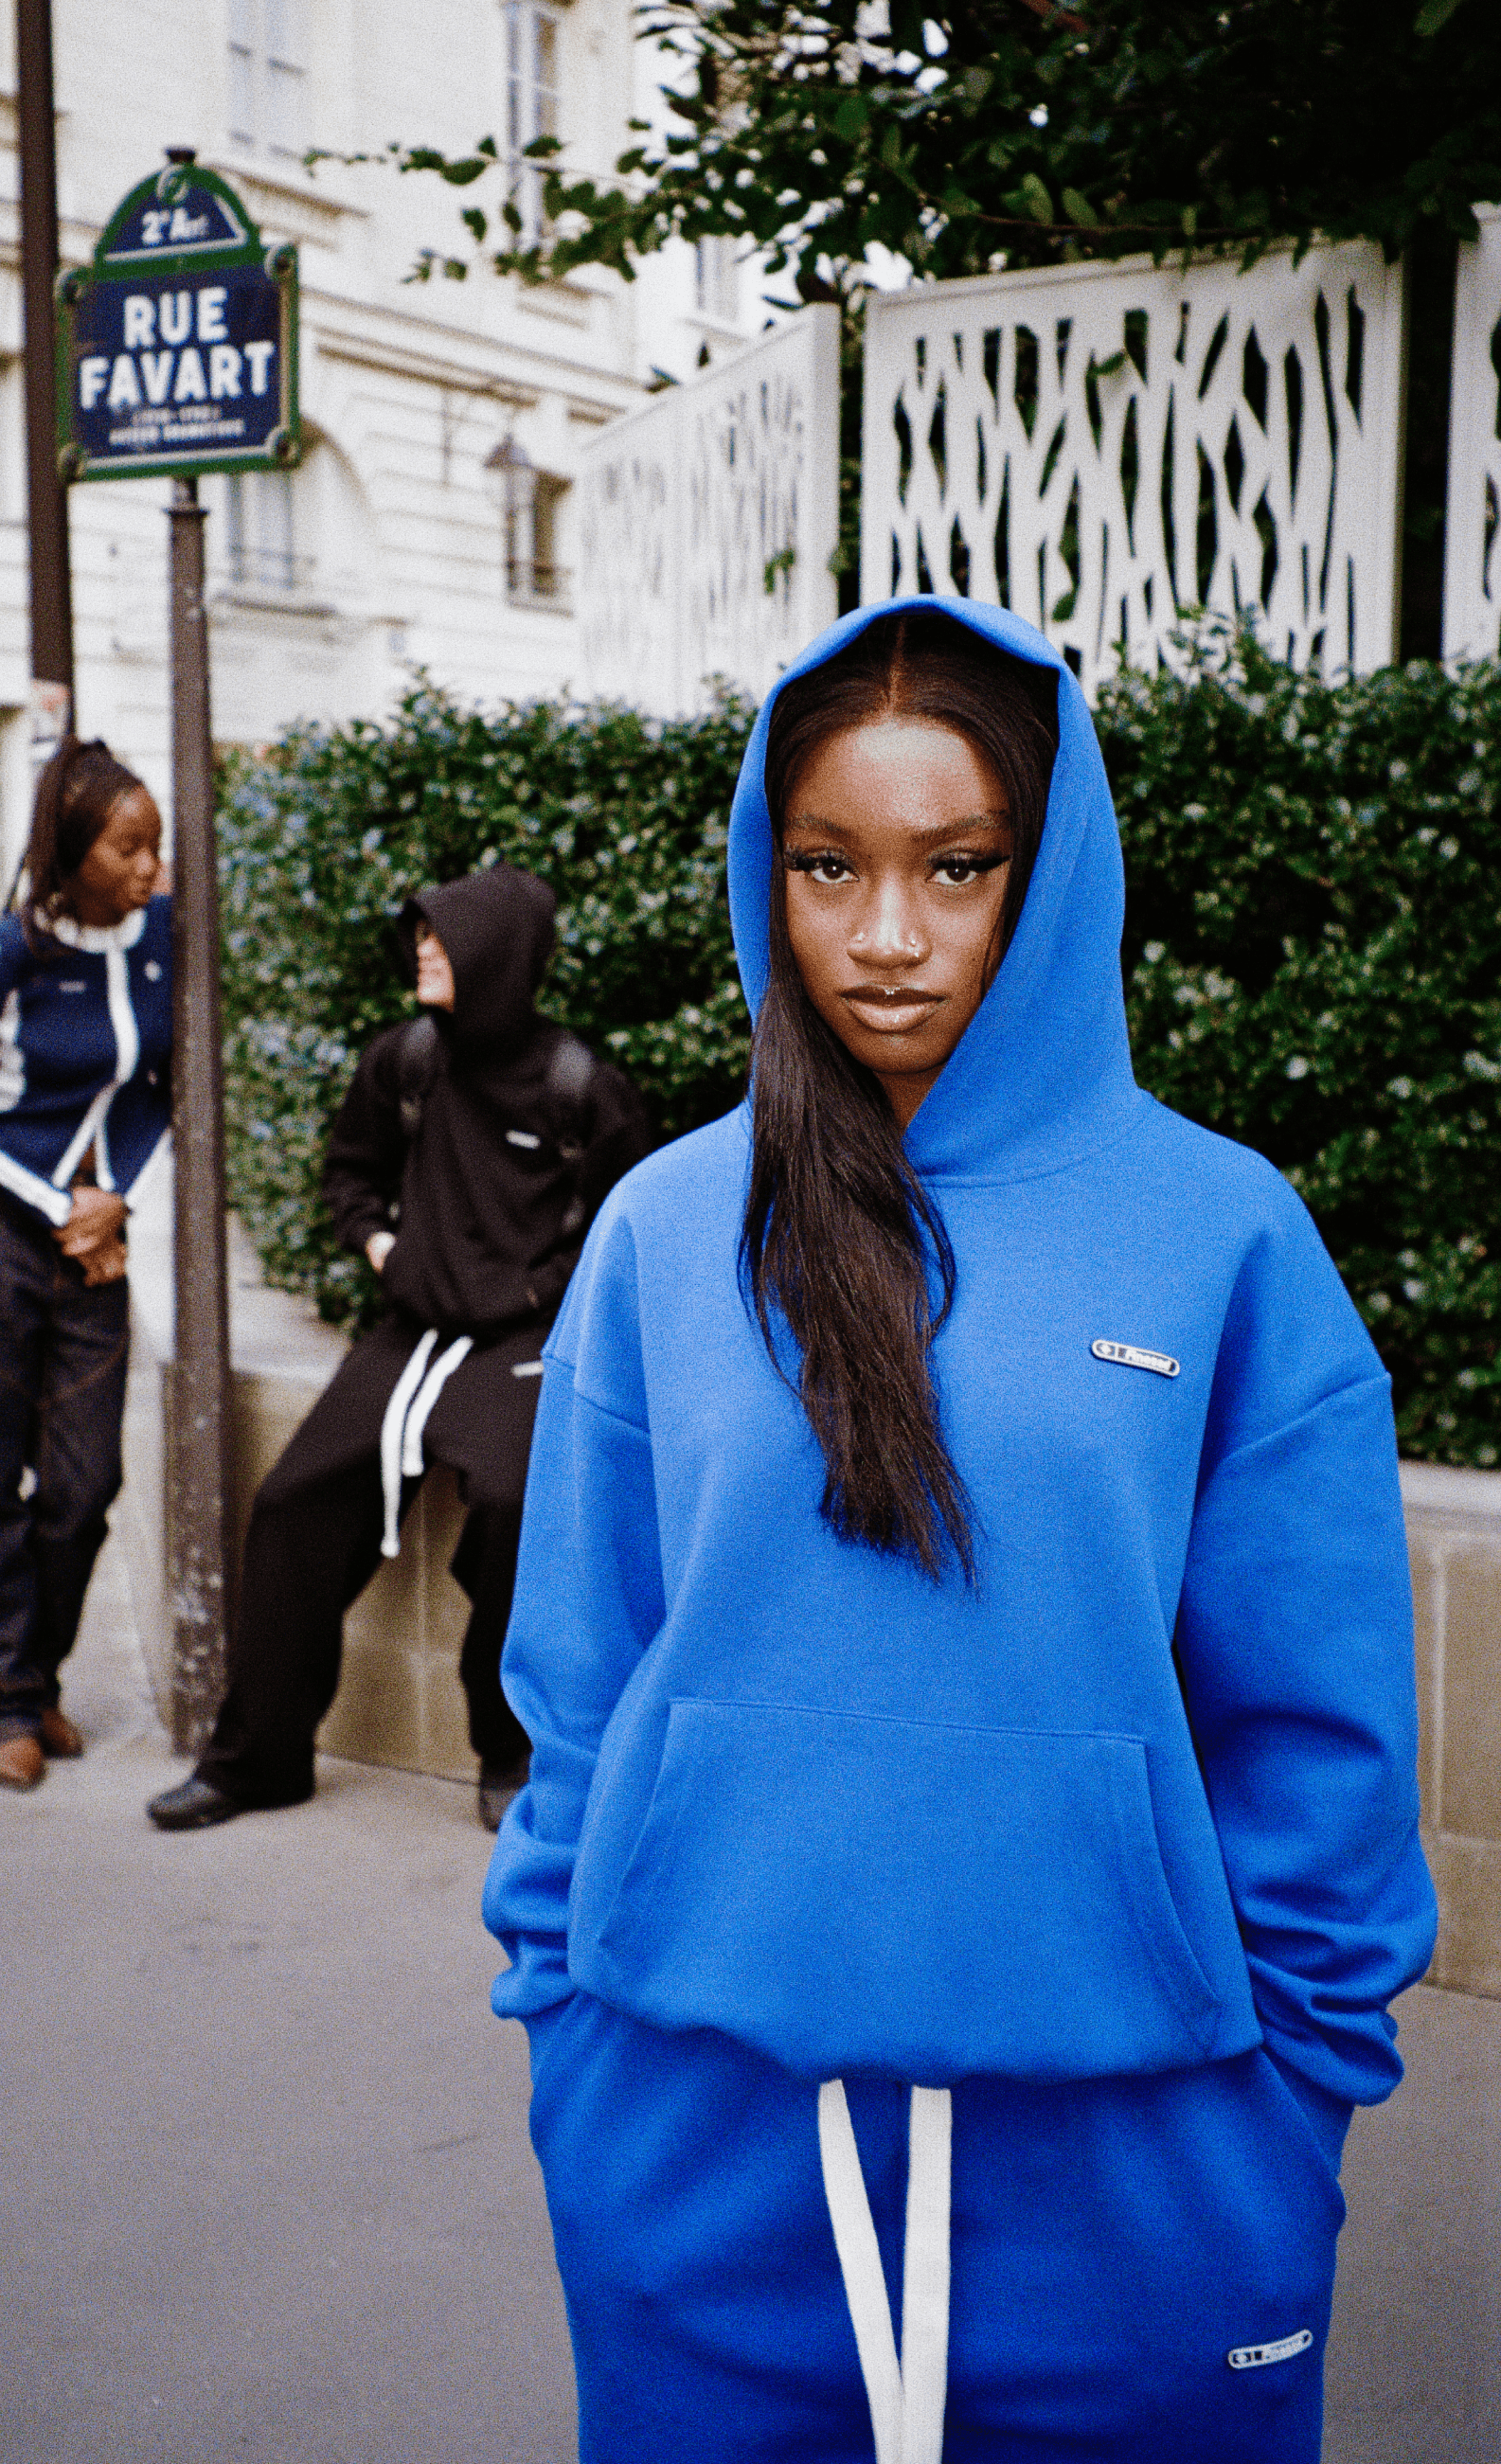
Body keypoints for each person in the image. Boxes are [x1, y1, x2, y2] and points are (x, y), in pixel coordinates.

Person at [481, 599, 1436, 2464]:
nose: (887, 936)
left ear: (1047, 868)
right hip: (692, 2149)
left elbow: (1313, 1736)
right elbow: (579, 1687)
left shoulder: (1220, 1233)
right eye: (828, 866)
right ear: (771, 872)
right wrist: (564, 2032)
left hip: (1145, 2179)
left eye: (956, 864)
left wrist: (1285, 2107)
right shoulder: (665, 1233)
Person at [148, 864, 648, 1837]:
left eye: (442, 934)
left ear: (497, 957)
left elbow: (625, 1241)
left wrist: (543, 1297)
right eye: (418, 930)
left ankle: (505, 1750)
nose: (421, 947)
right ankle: (257, 1758)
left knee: (510, 1503)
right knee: (292, 1500)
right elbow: (350, 1173)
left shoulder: (583, 1085)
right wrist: (385, 1250)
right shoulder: (404, 1058)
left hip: (523, 1341)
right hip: (413, 1329)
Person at [0, 736, 170, 1792]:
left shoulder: (163, 941)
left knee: (83, 1479)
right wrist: (57, 1202)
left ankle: (37, 1669)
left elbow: (164, 1087)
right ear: (69, 854)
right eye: (127, 848)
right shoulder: (6, 949)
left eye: (156, 845)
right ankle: (5, 1700)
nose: (152, 868)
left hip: (92, 1243)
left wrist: (115, 1202)